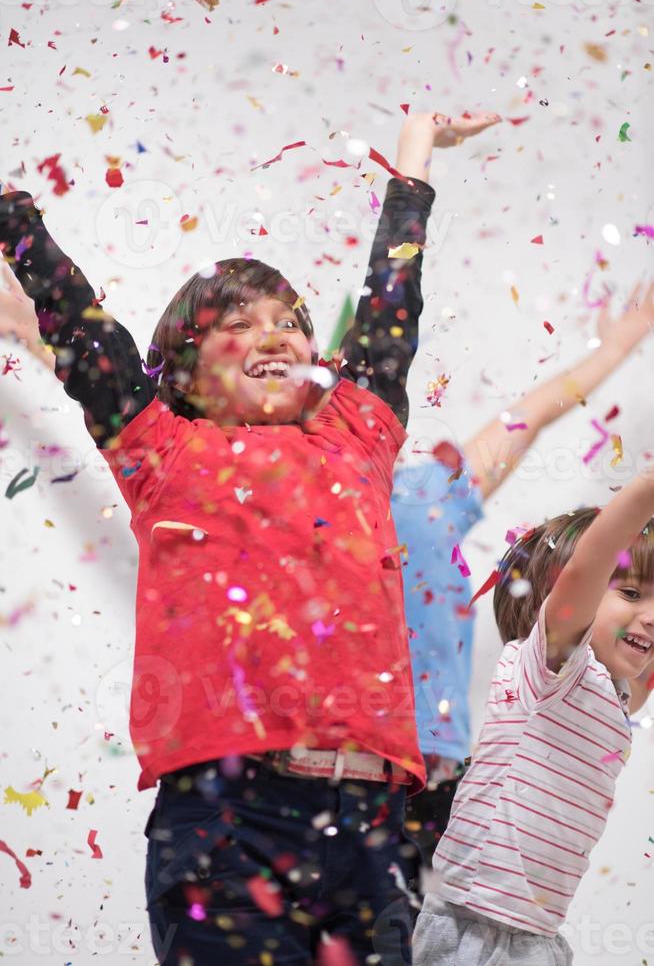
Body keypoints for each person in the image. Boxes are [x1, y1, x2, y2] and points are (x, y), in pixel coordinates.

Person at [0, 110, 499, 965]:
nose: (274, 333)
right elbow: (88, 333)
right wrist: (13, 215)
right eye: (238, 322)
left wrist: (414, 155)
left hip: (374, 834)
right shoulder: (161, 447)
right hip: (231, 828)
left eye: (291, 321)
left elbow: (389, 304)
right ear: (185, 373)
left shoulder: (358, 434)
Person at [393, 281, 654, 870]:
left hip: (424, 780)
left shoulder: (418, 508)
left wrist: (615, 350)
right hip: (306, 769)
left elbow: (526, 419)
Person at [412, 470, 654, 965]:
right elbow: (588, 568)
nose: (650, 615)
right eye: (630, 595)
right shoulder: (551, 668)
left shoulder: (617, 695)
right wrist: (646, 491)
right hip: (477, 927)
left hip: (538, 934)